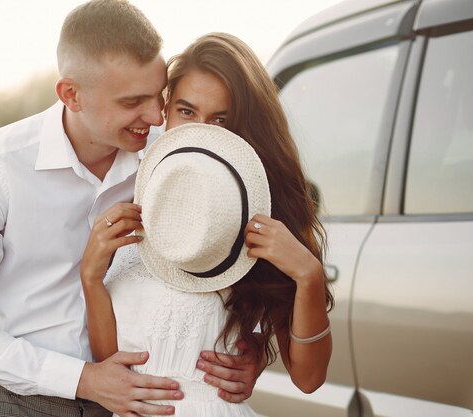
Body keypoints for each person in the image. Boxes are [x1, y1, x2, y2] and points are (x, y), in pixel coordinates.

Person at [0, 3, 259, 417]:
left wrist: (253, 351)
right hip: (11, 401)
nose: (155, 115)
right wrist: (85, 379)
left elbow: (232, 248)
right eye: (132, 101)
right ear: (71, 94)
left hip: (128, 403)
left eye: (158, 95)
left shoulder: (172, 156)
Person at [80, 33, 334, 416]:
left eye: (221, 119)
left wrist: (309, 277)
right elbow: (114, 361)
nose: (201, 132)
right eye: (186, 111)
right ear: (164, 110)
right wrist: (91, 277)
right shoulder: (140, 186)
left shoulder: (262, 215)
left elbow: (309, 379)